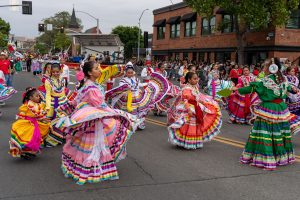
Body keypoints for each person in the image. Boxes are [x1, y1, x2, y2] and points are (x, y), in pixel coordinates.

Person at [53, 61, 142, 185]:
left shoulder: (90, 84)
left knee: (93, 142)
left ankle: (90, 165)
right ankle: (90, 168)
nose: (99, 70)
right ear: (89, 72)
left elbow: (78, 100)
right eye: (96, 68)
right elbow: (98, 104)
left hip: (93, 116)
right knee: (93, 142)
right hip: (93, 116)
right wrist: (116, 112)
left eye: (99, 68)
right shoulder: (90, 86)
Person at [233, 58, 297, 170]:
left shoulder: (265, 81)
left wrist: (235, 89)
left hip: (269, 108)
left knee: (265, 133)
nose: (263, 68)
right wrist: (293, 89)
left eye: (265, 66)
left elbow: (249, 89)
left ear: (272, 68)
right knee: (279, 132)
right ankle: (280, 157)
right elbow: (293, 89)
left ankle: (267, 158)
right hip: (281, 108)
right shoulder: (283, 79)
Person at [106, 62, 169, 130]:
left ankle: (138, 124)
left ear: (133, 72)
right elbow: (121, 87)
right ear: (126, 73)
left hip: (137, 96)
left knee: (140, 110)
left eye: (131, 72)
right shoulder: (123, 80)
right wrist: (126, 87)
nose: (130, 74)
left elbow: (139, 84)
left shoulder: (136, 79)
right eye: (128, 72)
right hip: (128, 97)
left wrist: (147, 84)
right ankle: (130, 123)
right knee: (130, 111)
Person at [167, 72, 222, 149]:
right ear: (189, 80)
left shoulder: (194, 87)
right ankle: (182, 141)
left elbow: (198, 97)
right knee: (187, 125)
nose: (197, 80)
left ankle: (191, 142)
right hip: (188, 108)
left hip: (196, 107)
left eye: (197, 79)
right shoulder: (186, 88)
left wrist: (206, 102)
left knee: (195, 125)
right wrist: (189, 109)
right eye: (194, 79)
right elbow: (185, 100)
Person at [9, 87, 50, 159]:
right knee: (28, 138)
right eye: (36, 96)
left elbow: (39, 114)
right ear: (31, 97)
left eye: (39, 96)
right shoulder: (29, 105)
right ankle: (24, 151)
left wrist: (43, 118)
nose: (38, 97)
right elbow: (30, 114)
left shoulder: (37, 104)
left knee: (35, 138)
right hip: (28, 123)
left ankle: (29, 151)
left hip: (34, 123)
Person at [44, 63, 68, 147]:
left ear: (60, 71)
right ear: (51, 72)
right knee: (49, 120)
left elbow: (63, 91)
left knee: (62, 120)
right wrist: (47, 106)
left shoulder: (63, 80)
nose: (55, 73)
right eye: (53, 72)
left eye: (57, 72)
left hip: (62, 101)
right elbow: (47, 94)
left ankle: (60, 137)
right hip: (52, 102)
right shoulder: (48, 81)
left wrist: (66, 102)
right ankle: (50, 140)